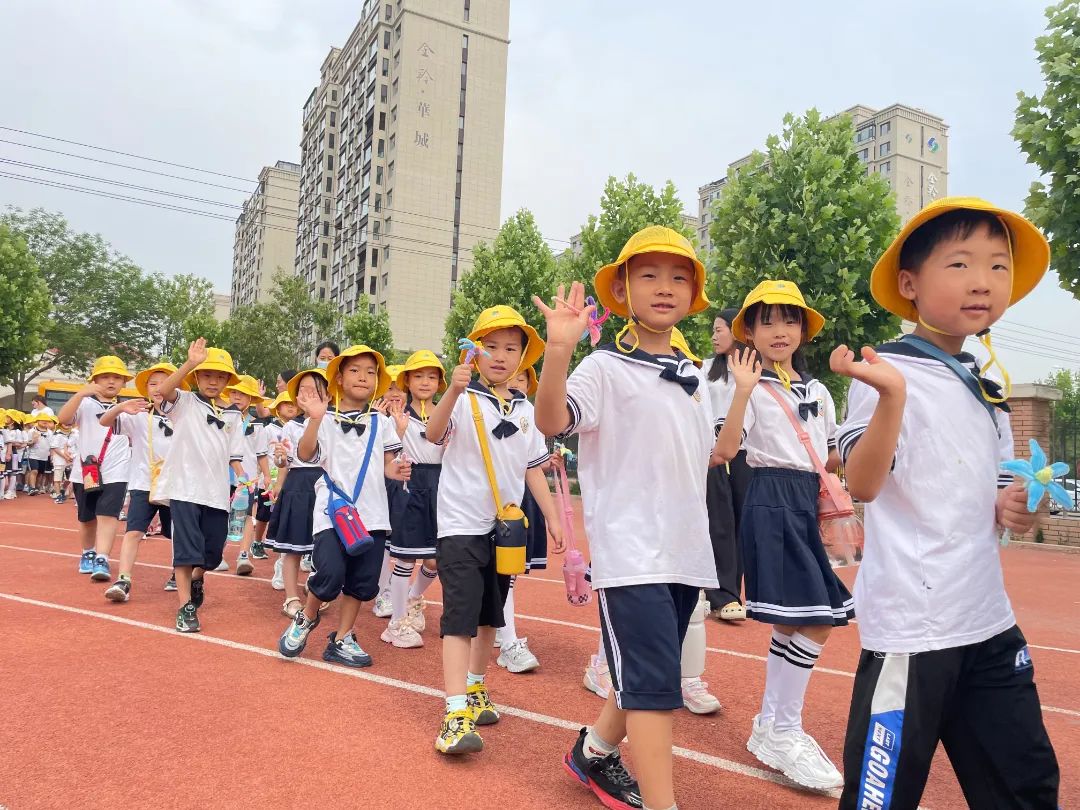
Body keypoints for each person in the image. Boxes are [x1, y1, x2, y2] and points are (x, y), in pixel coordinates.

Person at [836, 197, 1060, 809]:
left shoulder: (986, 390)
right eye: (959, 264)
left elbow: (992, 503)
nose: (982, 282)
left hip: (987, 622)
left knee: (1026, 786)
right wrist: (890, 400)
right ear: (910, 284)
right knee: (881, 800)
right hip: (913, 632)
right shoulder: (886, 373)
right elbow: (863, 483)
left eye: (997, 267)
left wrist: (1019, 508)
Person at [533, 226, 719, 810]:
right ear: (621, 289)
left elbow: (715, 454)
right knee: (656, 691)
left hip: (687, 551)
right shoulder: (604, 367)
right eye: (649, 275)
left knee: (648, 673)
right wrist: (559, 351)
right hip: (632, 553)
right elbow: (551, 420)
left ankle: (591, 753)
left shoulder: (695, 376)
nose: (665, 287)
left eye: (679, 276)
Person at [713, 280, 853, 790]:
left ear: (803, 331)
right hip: (769, 499)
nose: (780, 331)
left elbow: (832, 456)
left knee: (794, 622)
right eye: (767, 321)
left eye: (790, 320)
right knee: (817, 617)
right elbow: (725, 451)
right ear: (749, 330)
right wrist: (745, 391)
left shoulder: (819, 392)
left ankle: (771, 727)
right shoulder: (744, 384)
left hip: (806, 500)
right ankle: (783, 728)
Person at [424, 305, 563, 756]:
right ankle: (453, 712)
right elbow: (432, 433)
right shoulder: (463, 398)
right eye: (492, 347)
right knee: (460, 617)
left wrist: (553, 517)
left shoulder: (526, 410)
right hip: (461, 525)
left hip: (506, 529)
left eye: (511, 349)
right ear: (474, 352)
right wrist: (450, 391)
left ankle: (476, 687)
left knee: (491, 615)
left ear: (523, 357)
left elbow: (533, 470)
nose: (501, 356)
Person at [276, 346, 410, 667]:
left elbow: (387, 464)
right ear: (339, 377)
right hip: (332, 512)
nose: (363, 376)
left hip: (373, 515)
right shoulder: (326, 418)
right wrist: (315, 419)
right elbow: (307, 455)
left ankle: (342, 637)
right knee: (330, 573)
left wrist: (397, 470)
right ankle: (307, 617)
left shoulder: (382, 422)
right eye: (355, 370)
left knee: (363, 582)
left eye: (370, 371)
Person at [153, 340, 248, 632]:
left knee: (212, 554)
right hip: (184, 489)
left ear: (228, 381)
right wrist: (190, 363)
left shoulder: (233, 414)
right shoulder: (185, 401)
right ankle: (185, 607)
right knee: (186, 551)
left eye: (220, 377)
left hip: (217, 493)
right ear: (197, 377)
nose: (214, 381)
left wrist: (243, 479)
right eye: (208, 375)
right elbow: (163, 392)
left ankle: (197, 578)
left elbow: (235, 454)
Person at [380, 351, 447, 649]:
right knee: (406, 556)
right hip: (409, 485)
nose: (425, 382)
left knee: (437, 558)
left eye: (432, 376)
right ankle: (396, 623)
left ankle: (414, 597)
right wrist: (397, 430)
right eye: (418, 375)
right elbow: (386, 454)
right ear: (406, 380)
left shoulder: (448, 410)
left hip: (442, 486)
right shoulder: (394, 414)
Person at [99, 362, 181, 602]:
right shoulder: (138, 417)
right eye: (152, 384)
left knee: (177, 534)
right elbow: (104, 422)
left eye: (164, 383)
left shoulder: (185, 417)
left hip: (175, 487)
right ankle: (124, 580)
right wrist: (121, 407)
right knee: (133, 532)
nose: (158, 388)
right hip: (143, 485)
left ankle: (179, 572)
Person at [56, 356, 134, 581]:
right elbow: (63, 419)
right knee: (87, 517)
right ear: (94, 379)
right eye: (105, 377)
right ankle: (87, 552)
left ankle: (102, 558)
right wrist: (81, 393)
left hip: (117, 470)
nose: (111, 382)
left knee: (108, 515)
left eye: (117, 377)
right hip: (86, 470)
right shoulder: (85, 403)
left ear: (124, 382)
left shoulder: (127, 407)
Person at [704, 307, 752, 622]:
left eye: (719, 329)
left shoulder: (753, 370)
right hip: (713, 455)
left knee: (743, 525)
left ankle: (733, 591)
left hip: (747, 454)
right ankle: (723, 595)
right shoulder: (705, 369)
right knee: (719, 522)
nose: (714, 335)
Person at [268, 375, 324, 617]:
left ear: (328, 395)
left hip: (326, 485)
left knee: (325, 546)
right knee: (293, 547)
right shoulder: (291, 426)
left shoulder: (332, 422)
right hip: (299, 486)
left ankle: (318, 592)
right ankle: (291, 597)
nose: (308, 395)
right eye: (303, 391)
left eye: (314, 390)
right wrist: (280, 457)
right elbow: (284, 461)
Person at [226, 375, 272, 575]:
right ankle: (215, 554)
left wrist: (268, 476)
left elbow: (261, 453)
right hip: (222, 476)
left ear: (251, 398)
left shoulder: (257, 425)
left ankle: (243, 555)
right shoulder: (222, 418)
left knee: (245, 517)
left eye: (242, 394)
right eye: (234, 392)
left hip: (247, 479)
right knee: (220, 515)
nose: (237, 397)